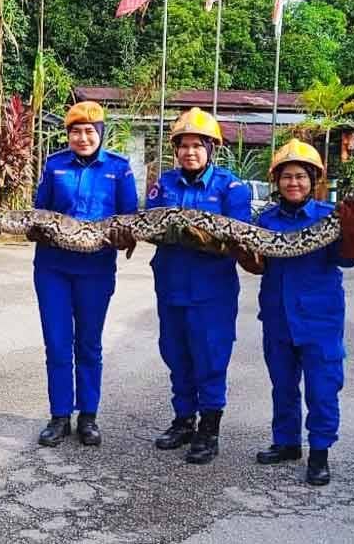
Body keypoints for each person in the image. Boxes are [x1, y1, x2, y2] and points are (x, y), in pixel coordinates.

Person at [239, 139, 354, 486]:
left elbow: (347, 260)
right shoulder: (263, 220)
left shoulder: (331, 216)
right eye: (286, 177)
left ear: (314, 180)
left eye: (300, 176)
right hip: (277, 317)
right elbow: (258, 266)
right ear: (276, 182)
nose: (293, 183)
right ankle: (286, 443)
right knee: (282, 385)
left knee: (322, 388)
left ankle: (320, 453)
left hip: (320, 320)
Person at [135, 107, 252, 464]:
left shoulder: (232, 188)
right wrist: (161, 233)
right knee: (176, 354)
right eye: (183, 146)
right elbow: (148, 226)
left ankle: (209, 429)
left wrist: (207, 240)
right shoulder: (164, 184)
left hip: (212, 290)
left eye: (197, 146)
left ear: (211, 148)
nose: (189, 152)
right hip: (170, 284)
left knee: (210, 357)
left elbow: (241, 238)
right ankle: (184, 421)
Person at [29, 101, 138, 447]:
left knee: (89, 343)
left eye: (90, 131)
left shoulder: (119, 169)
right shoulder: (54, 165)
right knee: (57, 343)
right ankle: (60, 416)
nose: (83, 137)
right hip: (53, 268)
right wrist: (36, 229)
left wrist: (125, 236)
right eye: (76, 131)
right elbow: (38, 213)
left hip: (95, 269)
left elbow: (130, 219)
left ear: (101, 134)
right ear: (68, 135)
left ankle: (88, 415)